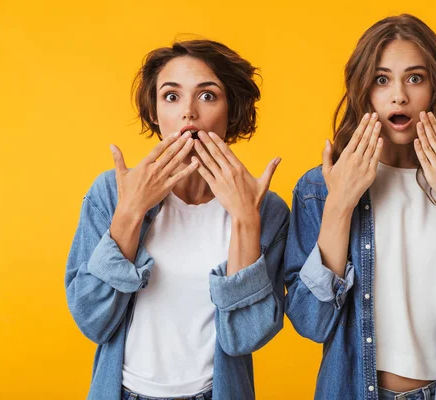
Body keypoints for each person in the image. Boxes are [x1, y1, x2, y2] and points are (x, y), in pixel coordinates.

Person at [284, 14, 436, 400]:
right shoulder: (319, 188)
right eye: (382, 80)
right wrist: (339, 206)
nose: (398, 95)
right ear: (363, 89)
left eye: (415, 78)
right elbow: (309, 322)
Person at [65, 39, 289, 400]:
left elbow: (244, 338)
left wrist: (246, 220)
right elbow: (92, 319)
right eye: (171, 96)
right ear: (154, 112)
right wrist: (130, 212)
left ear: (231, 110)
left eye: (207, 96)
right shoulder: (112, 192)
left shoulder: (266, 209)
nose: (188, 112)